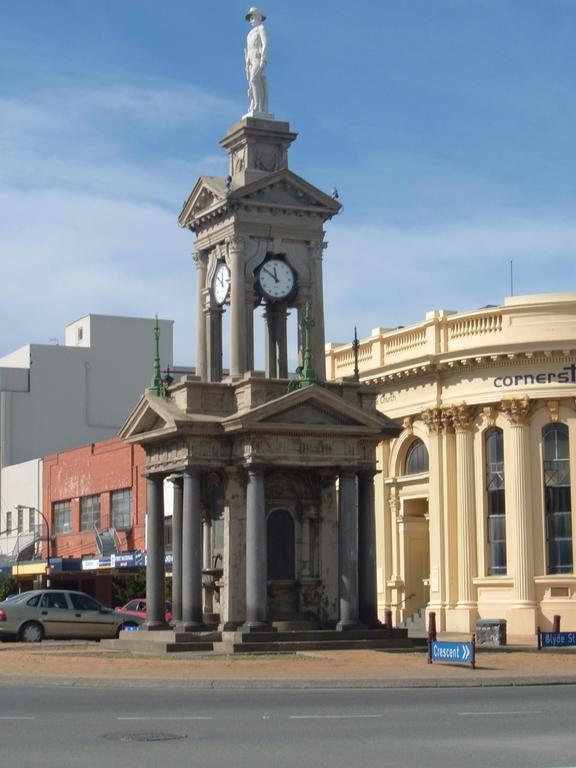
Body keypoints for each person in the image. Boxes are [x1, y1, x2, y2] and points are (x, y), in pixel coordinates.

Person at [245, 7, 269, 114]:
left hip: (257, 58)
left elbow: (265, 44)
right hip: (250, 61)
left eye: (253, 17)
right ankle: (253, 103)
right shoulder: (249, 34)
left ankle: (258, 106)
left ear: (259, 17)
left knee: (255, 80)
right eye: (250, 18)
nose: (251, 20)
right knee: (252, 83)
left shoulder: (261, 28)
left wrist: (263, 59)